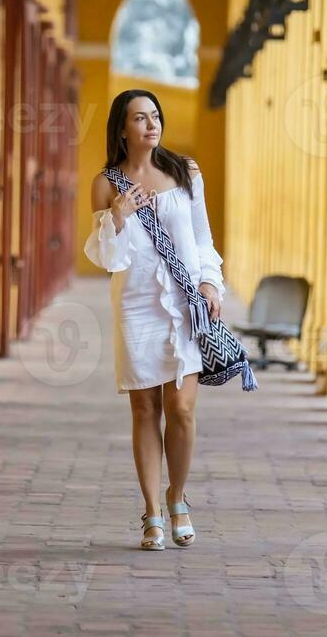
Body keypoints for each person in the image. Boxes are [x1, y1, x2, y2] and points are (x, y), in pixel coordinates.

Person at [83, 89, 227, 551]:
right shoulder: (105, 184)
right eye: (140, 118)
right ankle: (151, 512)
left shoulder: (185, 172)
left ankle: (177, 496)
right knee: (144, 408)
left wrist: (210, 283)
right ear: (122, 128)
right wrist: (118, 219)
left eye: (155, 116)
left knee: (181, 409)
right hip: (136, 305)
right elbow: (107, 259)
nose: (151, 124)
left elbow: (202, 238)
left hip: (186, 304)